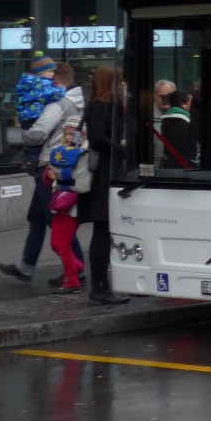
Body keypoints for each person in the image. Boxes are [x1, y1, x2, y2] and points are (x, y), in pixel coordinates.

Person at [0, 61, 85, 286]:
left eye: (49, 79)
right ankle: (26, 265)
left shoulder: (58, 103)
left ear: (57, 81)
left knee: (54, 217)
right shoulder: (78, 101)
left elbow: (38, 133)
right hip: (62, 162)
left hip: (49, 165)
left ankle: (76, 268)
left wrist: (20, 135)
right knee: (37, 217)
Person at [81, 64, 129, 305]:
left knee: (106, 231)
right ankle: (99, 287)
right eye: (119, 80)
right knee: (102, 231)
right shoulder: (98, 106)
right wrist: (121, 149)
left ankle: (102, 285)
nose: (122, 84)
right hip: (102, 175)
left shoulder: (109, 105)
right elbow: (98, 138)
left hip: (110, 173)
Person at [43, 118, 88, 294]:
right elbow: (48, 180)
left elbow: (81, 182)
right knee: (55, 244)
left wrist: (60, 177)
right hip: (60, 202)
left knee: (62, 244)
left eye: (72, 133)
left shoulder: (83, 153)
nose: (68, 137)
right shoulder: (60, 152)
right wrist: (49, 176)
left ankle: (72, 281)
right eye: (66, 133)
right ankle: (76, 267)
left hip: (73, 205)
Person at [17, 55, 66, 168]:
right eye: (50, 71)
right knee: (36, 145)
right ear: (40, 72)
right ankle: (30, 162)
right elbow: (52, 94)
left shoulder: (29, 82)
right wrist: (61, 88)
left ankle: (29, 158)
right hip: (33, 116)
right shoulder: (41, 84)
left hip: (26, 116)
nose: (53, 74)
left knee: (33, 145)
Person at [160, 89, 197, 169]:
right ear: (183, 104)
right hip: (182, 170)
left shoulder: (169, 121)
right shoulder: (181, 123)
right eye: (191, 101)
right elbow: (181, 151)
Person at [152, 78, 176, 165]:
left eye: (168, 96)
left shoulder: (183, 116)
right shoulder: (145, 116)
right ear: (154, 96)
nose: (165, 99)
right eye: (161, 96)